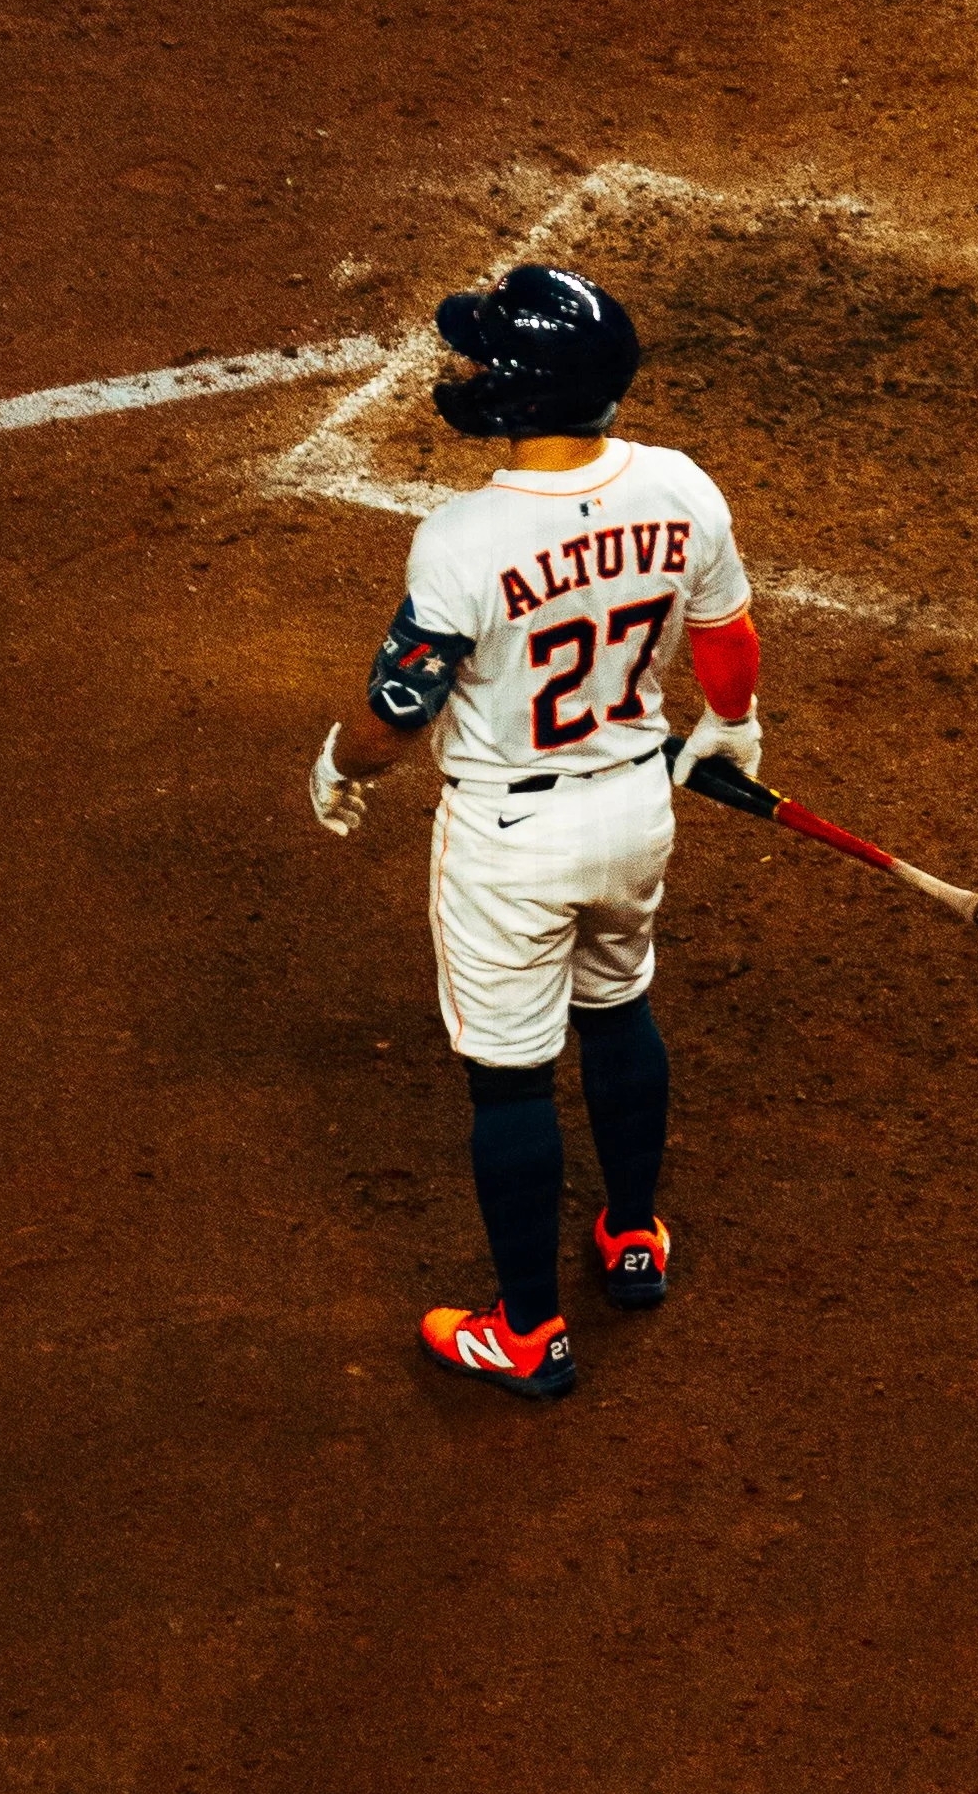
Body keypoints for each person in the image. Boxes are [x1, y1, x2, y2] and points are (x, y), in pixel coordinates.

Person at [308, 263, 764, 1401]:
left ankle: (526, 1332)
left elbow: (396, 715)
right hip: (636, 812)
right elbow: (727, 625)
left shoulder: (464, 537)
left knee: (510, 1085)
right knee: (619, 1012)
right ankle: (631, 1237)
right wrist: (735, 728)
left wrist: (336, 764)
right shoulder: (680, 486)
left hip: (512, 841)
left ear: (514, 389)